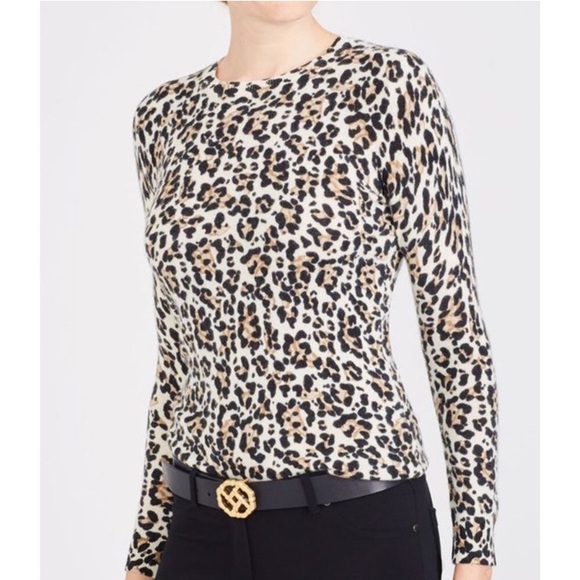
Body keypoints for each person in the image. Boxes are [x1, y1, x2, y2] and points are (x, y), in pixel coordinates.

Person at [124, 2, 499, 579]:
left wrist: (475, 548)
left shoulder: (387, 85)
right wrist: (147, 550)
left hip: (355, 525)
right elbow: (178, 357)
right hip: (199, 528)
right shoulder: (164, 117)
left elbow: (453, 325)